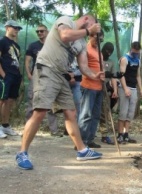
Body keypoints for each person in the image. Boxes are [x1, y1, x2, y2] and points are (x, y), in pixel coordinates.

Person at [16, 14, 103, 170]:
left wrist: (95, 75)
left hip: (62, 75)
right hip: (47, 69)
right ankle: (22, 152)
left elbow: (84, 67)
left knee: (71, 112)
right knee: (40, 111)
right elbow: (64, 35)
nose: (94, 31)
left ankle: (82, 150)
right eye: (93, 26)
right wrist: (89, 30)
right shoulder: (66, 21)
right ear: (86, 20)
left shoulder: (82, 42)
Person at [25, 24, 62, 137]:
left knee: (51, 104)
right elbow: (27, 61)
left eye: (41, 31)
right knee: (32, 101)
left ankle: (54, 130)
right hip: (36, 75)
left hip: (50, 76)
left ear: (47, 31)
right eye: (38, 32)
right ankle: (29, 129)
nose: (39, 33)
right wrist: (29, 75)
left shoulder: (53, 45)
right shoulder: (33, 46)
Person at [78, 30, 105, 148]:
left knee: (96, 115)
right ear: (90, 36)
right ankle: (81, 142)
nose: (99, 42)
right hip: (88, 86)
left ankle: (90, 139)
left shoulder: (99, 52)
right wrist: (94, 75)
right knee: (86, 115)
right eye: (97, 39)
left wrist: (104, 75)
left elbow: (102, 67)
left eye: (101, 40)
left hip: (99, 86)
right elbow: (83, 67)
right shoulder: (85, 49)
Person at [117, 41, 142, 143]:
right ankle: (120, 134)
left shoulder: (138, 60)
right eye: (135, 50)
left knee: (130, 113)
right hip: (124, 88)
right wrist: (125, 88)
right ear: (131, 48)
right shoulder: (125, 59)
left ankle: (126, 134)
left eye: (138, 51)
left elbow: (138, 76)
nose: (136, 52)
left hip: (133, 88)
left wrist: (140, 89)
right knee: (123, 112)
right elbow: (121, 75)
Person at [0, 20, 23, 138]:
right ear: (7, 27)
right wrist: (3, 74)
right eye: (15, 28)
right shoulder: (2, 41)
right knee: (2, 100)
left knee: (9, 101)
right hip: (5, 75)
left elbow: (17, 62)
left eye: (18, 28)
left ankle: (5, 125)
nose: (17, 30)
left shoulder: (16, 45)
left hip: (15, 76)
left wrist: (19, 76)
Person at [99, 42, 118, 145]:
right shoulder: (97, 58)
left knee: (105, 113)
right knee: (91, 112)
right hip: (93, 87)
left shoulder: (111, 62)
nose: (108, 53)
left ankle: (104, 135)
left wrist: (115, 90)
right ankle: (88, 135)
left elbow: (114, 77)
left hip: (105, 89)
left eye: (110, 52)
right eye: (107, 51)